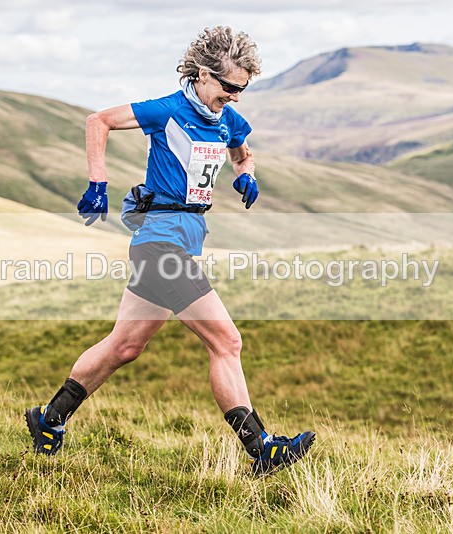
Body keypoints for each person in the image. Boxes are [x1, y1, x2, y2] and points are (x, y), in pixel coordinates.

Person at [25, 26, 314, 476]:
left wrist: (247, 174)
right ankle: (262, 449)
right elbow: (97, 121)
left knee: (124, 346)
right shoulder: (168, 110)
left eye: (243, 88)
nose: (235, 96)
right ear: (203, 75)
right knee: (227, 340)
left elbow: (241, 152)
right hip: (159, 243)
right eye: (229, 87)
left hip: (183, 240)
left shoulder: (228, 119)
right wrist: (97, 183)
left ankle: (49, 420)